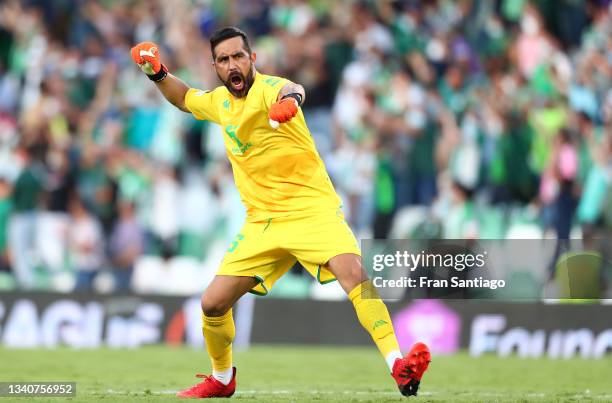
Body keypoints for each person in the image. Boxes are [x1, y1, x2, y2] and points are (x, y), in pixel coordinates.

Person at [130, 26, 430, 398]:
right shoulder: (221, 103)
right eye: (223, 60)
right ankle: (222, 380)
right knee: (212, 303)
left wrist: (291, 103)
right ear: (216, 67)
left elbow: (294, 89)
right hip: (264, 224)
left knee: (355, 276)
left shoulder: (271, 88)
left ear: (252, 58)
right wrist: (156, 72)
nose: (232, 64)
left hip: (312, 212)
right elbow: (185, 98)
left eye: (238, 56)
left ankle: (398, 365)